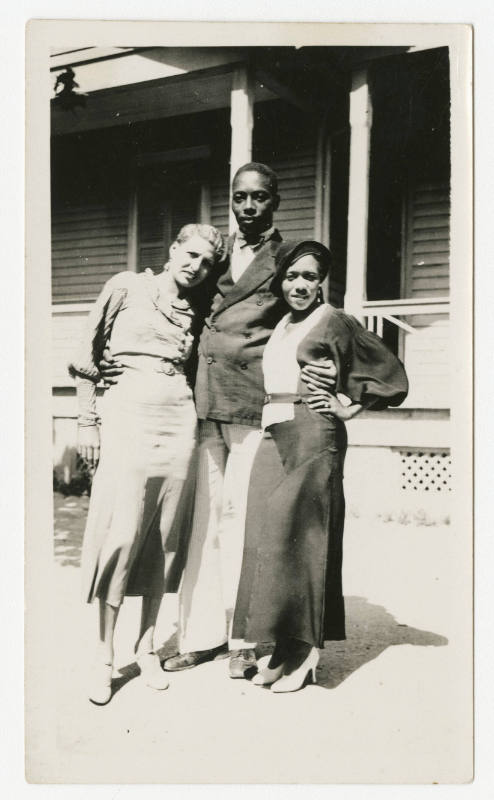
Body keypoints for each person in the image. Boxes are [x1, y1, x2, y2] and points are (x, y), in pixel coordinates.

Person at [101, 163, 337, 679]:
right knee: (202, 525)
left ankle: (247, 640)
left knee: (242, 521)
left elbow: (314, 312)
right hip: (203, 402)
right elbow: (177, 299)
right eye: (240, 198)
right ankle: (201, 635)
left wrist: (324, 367)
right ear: (231, 202)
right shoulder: (220, 252)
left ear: (274, 202)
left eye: (259, 198)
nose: (248, 208)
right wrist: (122, 354)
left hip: (255, 405)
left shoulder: (287, 255)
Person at [231, 240, 409, 692]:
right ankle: (276, 647)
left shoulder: (334, 320)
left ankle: (305, 655)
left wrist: (348, 405)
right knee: (267, 538)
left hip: (315, 432)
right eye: (292, 276)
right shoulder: (284, 324)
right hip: (275, 431)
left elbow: (391, 376)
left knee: (307, 543)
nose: (299, 285)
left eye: (309, 277)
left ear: (321, 281)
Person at [70, 223, 225, 705]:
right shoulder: (126, 286)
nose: (195, 266)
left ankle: (147, 647)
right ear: (173, 248)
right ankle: (104, 656)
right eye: (190, 254)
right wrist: (86, 420)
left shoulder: (197, 311)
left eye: (205, 262)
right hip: (126, 415)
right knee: (122, 532)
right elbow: (83, 354)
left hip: (178, 421)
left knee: (164, 536)